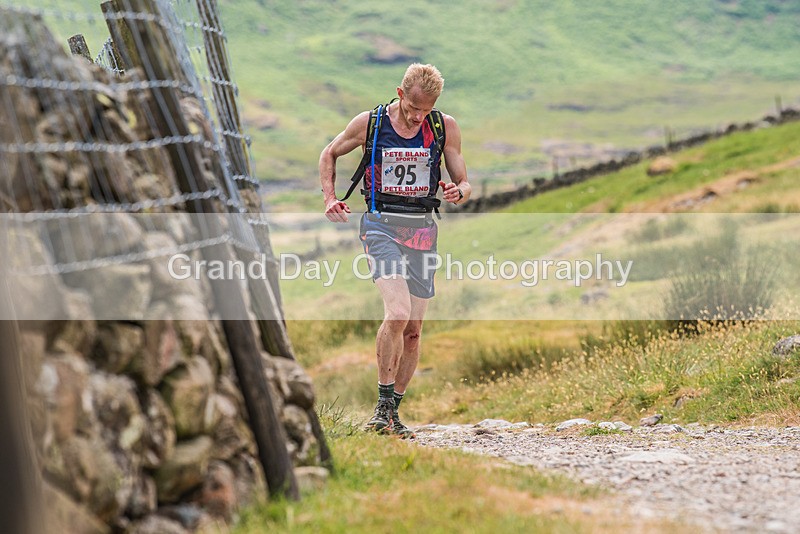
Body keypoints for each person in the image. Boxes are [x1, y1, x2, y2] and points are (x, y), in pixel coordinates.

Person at [319, 63, 470, 438]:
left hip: (422, 232)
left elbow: (464, 182)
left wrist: (459, 191)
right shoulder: (371, 123)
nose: (419, 117)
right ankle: (382, 408)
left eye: (426, 109)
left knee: (414, 331)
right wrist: (330, 198)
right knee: (398, 312)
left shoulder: (443, 127)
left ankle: (392, 414)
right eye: (413, 108)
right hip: (380, 226)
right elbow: (329, 153)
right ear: (400, 94)